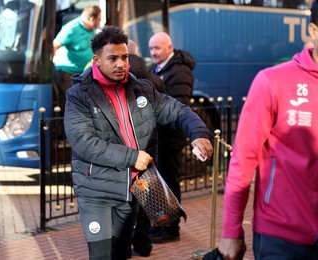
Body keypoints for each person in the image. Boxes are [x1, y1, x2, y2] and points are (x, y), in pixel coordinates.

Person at [64, 25, 213, 260]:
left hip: (131, 190)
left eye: (124, 57)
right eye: (112, 58)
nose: (121, 64)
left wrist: (198, 132)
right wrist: (132, 157)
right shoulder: (79, 95)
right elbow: (84, 142)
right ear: (97, 60)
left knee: (121, 254)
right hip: (96, 193)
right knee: (102, 255)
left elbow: (176, 110)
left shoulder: (141, 88)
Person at [217, 1, 318, 259]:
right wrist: (231, 230)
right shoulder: (272, 82)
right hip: (282, 237)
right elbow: (244, 159)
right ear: (314, 31)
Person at [147, 31, 197, 242]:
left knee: (170, 183)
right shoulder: (156, 69)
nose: (154, 52)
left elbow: (177, 107)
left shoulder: (179, 72)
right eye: (151, 49)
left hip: (171, 138)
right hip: (158, 136)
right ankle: (161, 224)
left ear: (169, 47)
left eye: (157, 48)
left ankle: (171, 229)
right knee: (159, 185)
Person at [126, 40, 165, 257]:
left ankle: (126, 246)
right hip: (149, 147)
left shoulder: (118, 79)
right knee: (143, 196)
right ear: (138, 53)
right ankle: (143, 245)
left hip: (126, 150)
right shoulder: (153, 80)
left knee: (124, 201)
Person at [53, 5, 102, 113]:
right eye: (99, 19)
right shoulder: (71, 29)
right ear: (91, 19)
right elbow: (54, 46)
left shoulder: (92, 29)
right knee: (72, 104)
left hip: (83, 73)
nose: (100, 22)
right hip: (67, 73)